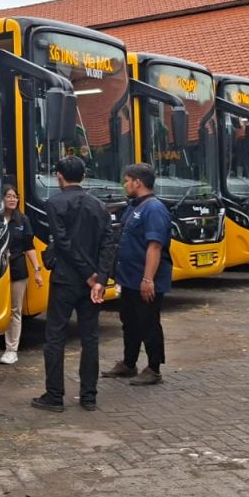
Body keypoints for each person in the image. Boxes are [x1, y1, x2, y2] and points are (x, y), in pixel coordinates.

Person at [31, 155, 113, 413]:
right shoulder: (99, 205)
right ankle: (89, 396)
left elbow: (63, 243)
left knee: (55, 336)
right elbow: (108, 245)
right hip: (92, 286)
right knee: (90, 338)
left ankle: (54, 395)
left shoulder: (54, 203)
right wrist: (100, 278)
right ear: (84, 176)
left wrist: (89, 274)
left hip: (65, 280)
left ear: (59, 176)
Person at [104, 162, 172, 386]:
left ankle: (154, 369)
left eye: (127, 180)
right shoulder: (135, 206)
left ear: (138, 182)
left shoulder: (154, 209)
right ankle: (129, 363)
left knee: (149, 323)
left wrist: (148, 279)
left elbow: (154, 247)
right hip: (129, 279)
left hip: (145, 280)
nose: (125, 184)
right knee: (130, 321)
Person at [0, 184, 42, 366]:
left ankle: (11, 350)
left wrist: (37, 269)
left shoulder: (23, 220)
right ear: (1, 199)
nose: (13, 199)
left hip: (17, 269)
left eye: (15, 196)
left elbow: (29, 246)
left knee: (15, 310)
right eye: (9, 196)